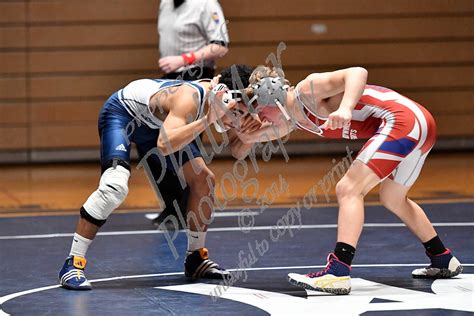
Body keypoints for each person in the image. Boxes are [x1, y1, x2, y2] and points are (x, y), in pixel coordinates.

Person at [239, 65, 463, 295]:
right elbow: (273, 131)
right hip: (418, 123)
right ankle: (442, 258)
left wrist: (345, 108)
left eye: (259, 109)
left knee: (348, 189)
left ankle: (338, 271)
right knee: (393, 198)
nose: (260, 117)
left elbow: (357, 72)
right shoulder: (293, 116)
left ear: (272, 97)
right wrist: (248, 135)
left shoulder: (308, 89)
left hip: (402, 121)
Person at [58, 64, 258, 290]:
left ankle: (196, 258)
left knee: (204, 180)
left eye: (241, 115)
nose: (235, 121)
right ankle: (72, 263)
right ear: (223, 93)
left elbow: (238, 152)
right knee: (114, 186)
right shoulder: (190, 97)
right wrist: (206, 121)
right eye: (236, 113)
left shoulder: (224, 102)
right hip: (125, 114)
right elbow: (164, 145)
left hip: (161, 125)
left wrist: (252, 134)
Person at [154, 0, 230, 228]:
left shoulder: (206, 4)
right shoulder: (165, 3)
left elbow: (221, 45)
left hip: (195, 76)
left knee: (186, 146)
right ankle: (173, 205)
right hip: (168, 80)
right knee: (155, 142)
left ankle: (188, 206)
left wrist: (184, 58)